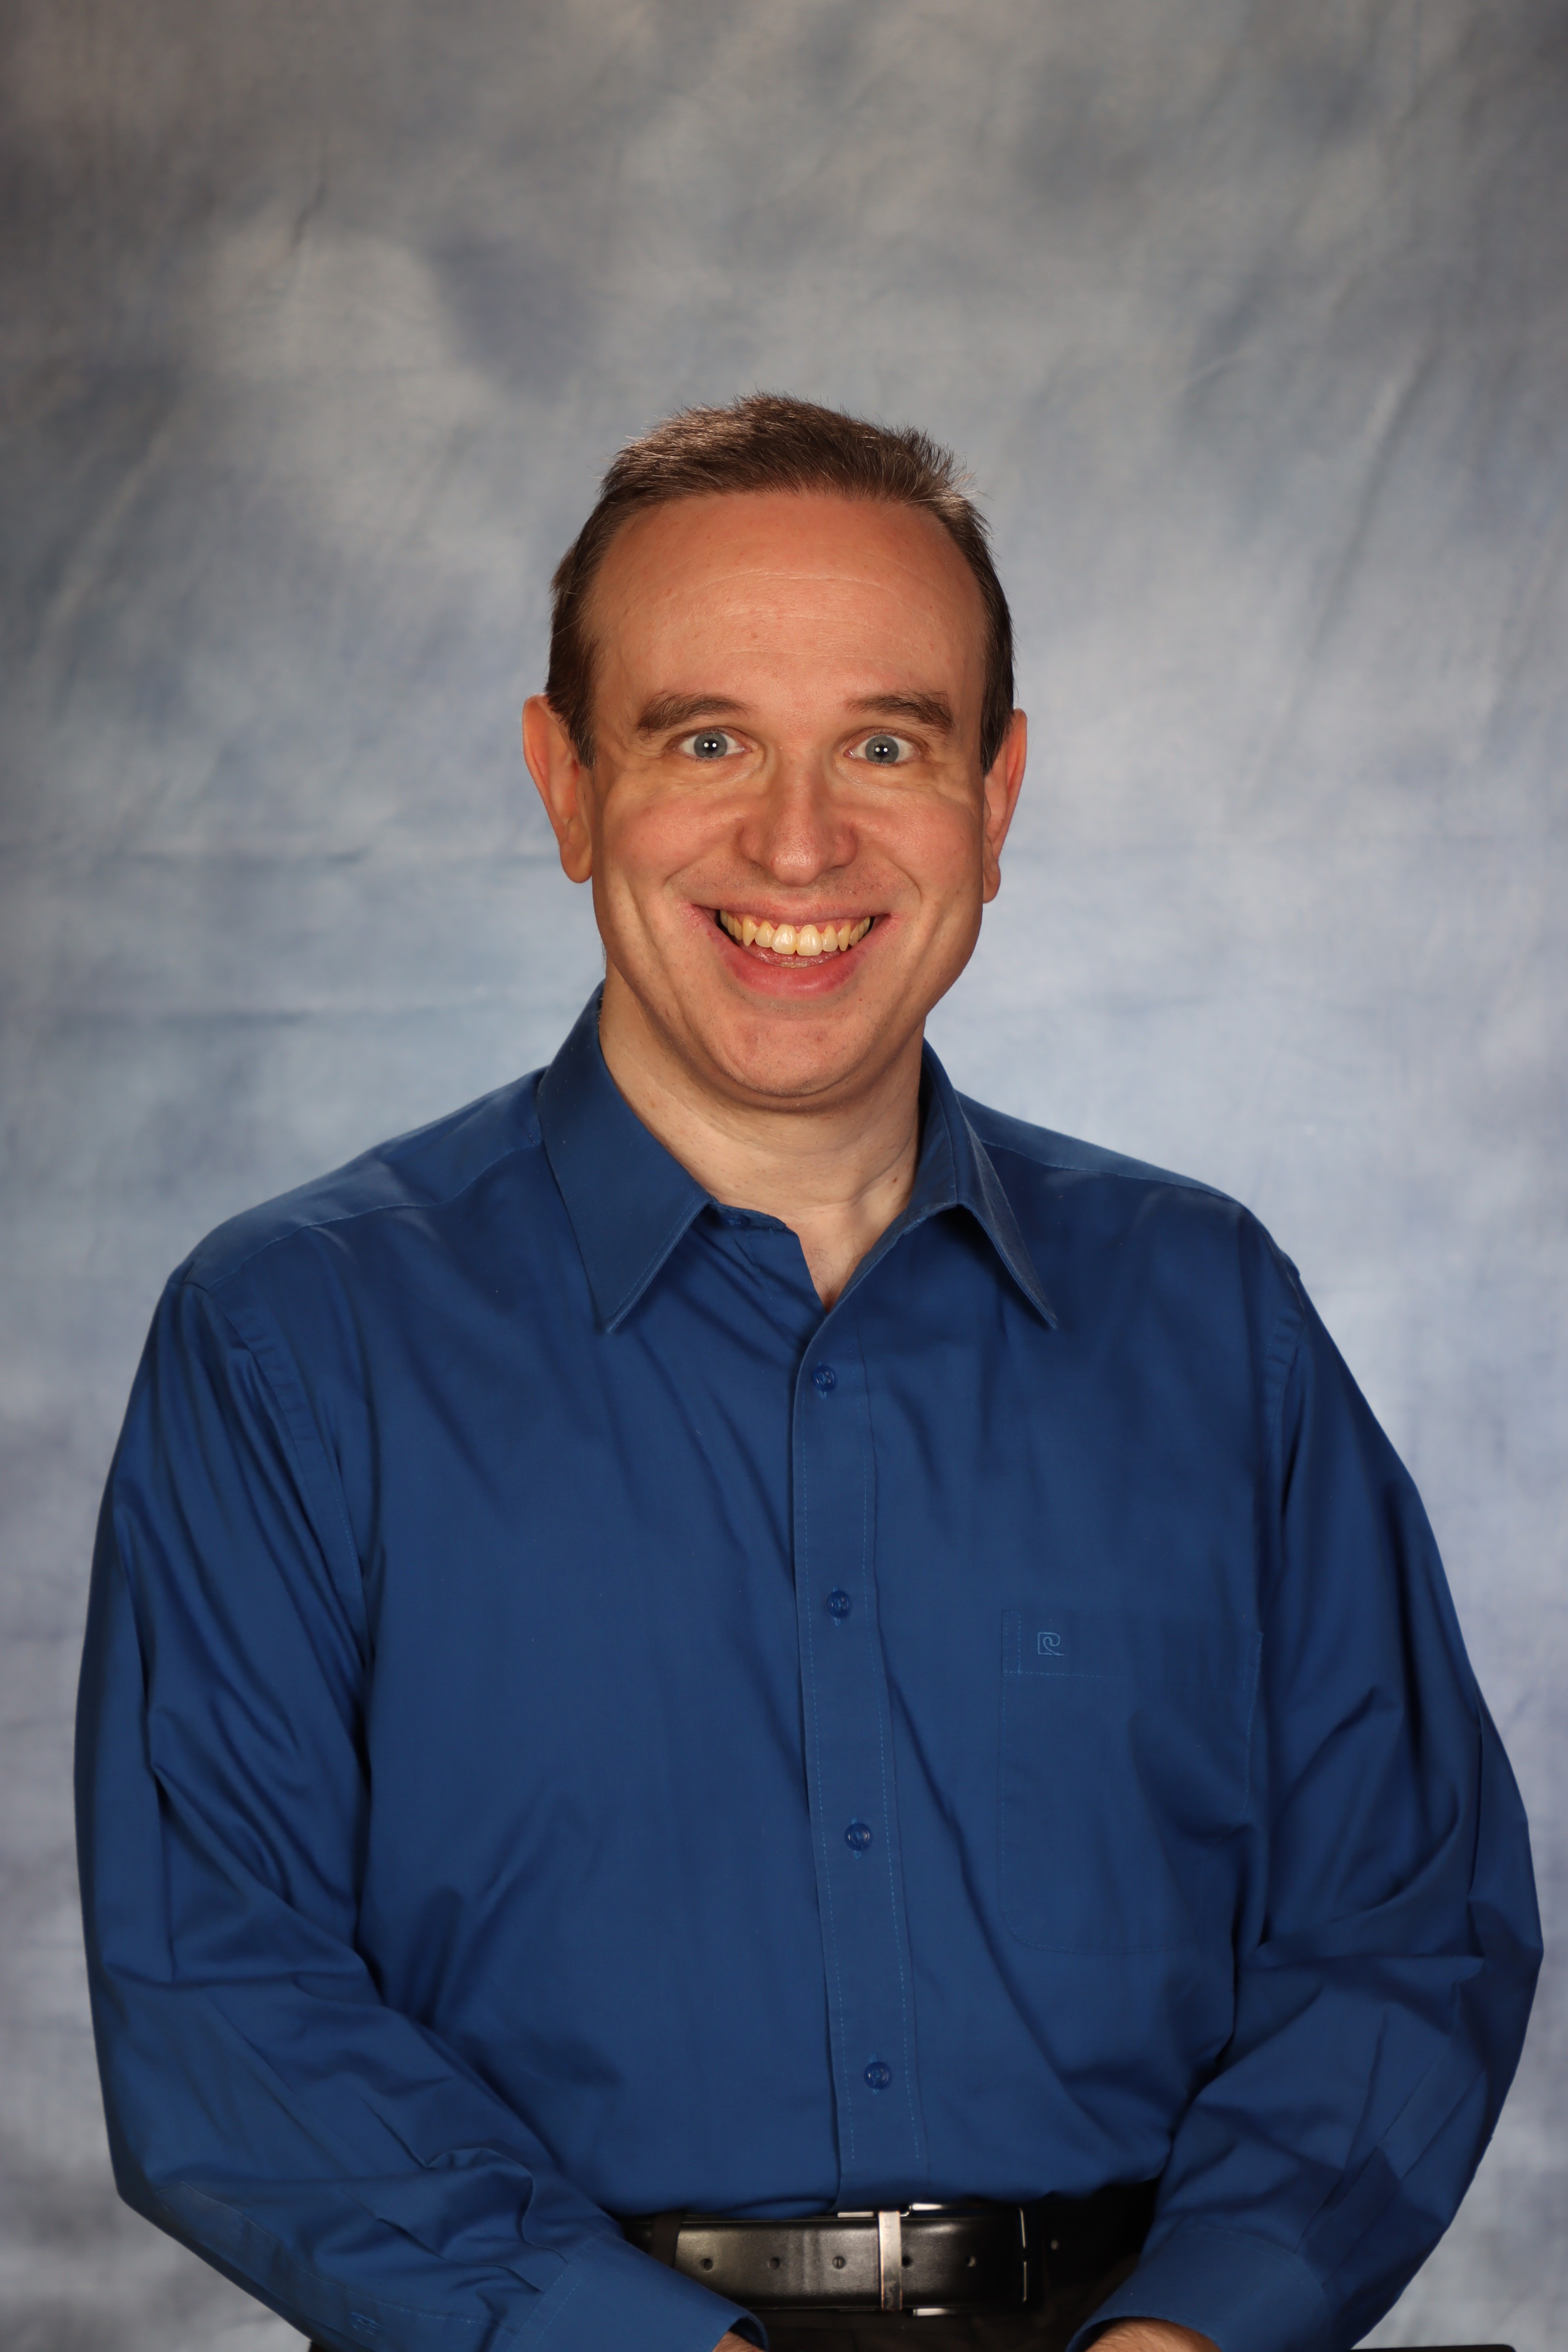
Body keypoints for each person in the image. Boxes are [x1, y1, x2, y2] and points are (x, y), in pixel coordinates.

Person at [76, 394, 1540, 2352]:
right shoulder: (292, 1339)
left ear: (993, 801)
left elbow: (1407, 1923)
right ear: (565, 784)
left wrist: (1194, 2332)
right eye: (705, 741)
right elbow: (221, 2008)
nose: (797, 840)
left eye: (885, 744)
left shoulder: (1213, 1317)